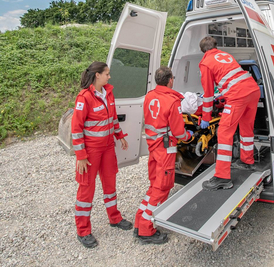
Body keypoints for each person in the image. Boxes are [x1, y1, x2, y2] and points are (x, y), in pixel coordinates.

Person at [71, 61, 133, 248]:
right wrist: (81, 155)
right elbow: (76, 129)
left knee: (110, 184)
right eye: (107, 73)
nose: (109, 76)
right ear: (97, 75)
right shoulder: (84, 98)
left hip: (107, 148)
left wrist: (119, 135)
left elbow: (112, 117)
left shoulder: (108, 93)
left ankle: (114, 218)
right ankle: (83, 231)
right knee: (86, 189)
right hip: (90, 152)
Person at [134, 66, 193, 244]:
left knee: (154, 186)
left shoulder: (149, 96)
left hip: (153, 147)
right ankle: (146, 229)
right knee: (162, 188)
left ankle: (140, 219)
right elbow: (178, 130)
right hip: (165, 150)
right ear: (170, 80)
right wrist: (188, 137)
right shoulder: (172, 101)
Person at [198, 36, 261, 191]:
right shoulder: (226, 55)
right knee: (246, 128)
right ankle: (247, 160)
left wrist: (206, 117)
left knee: (225, 132)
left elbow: (207, 94)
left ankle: (222, 177)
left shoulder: (205, 63)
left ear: (203, 51)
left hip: (238, 96)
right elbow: (231, 78)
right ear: (215, 46)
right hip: (252, 90)